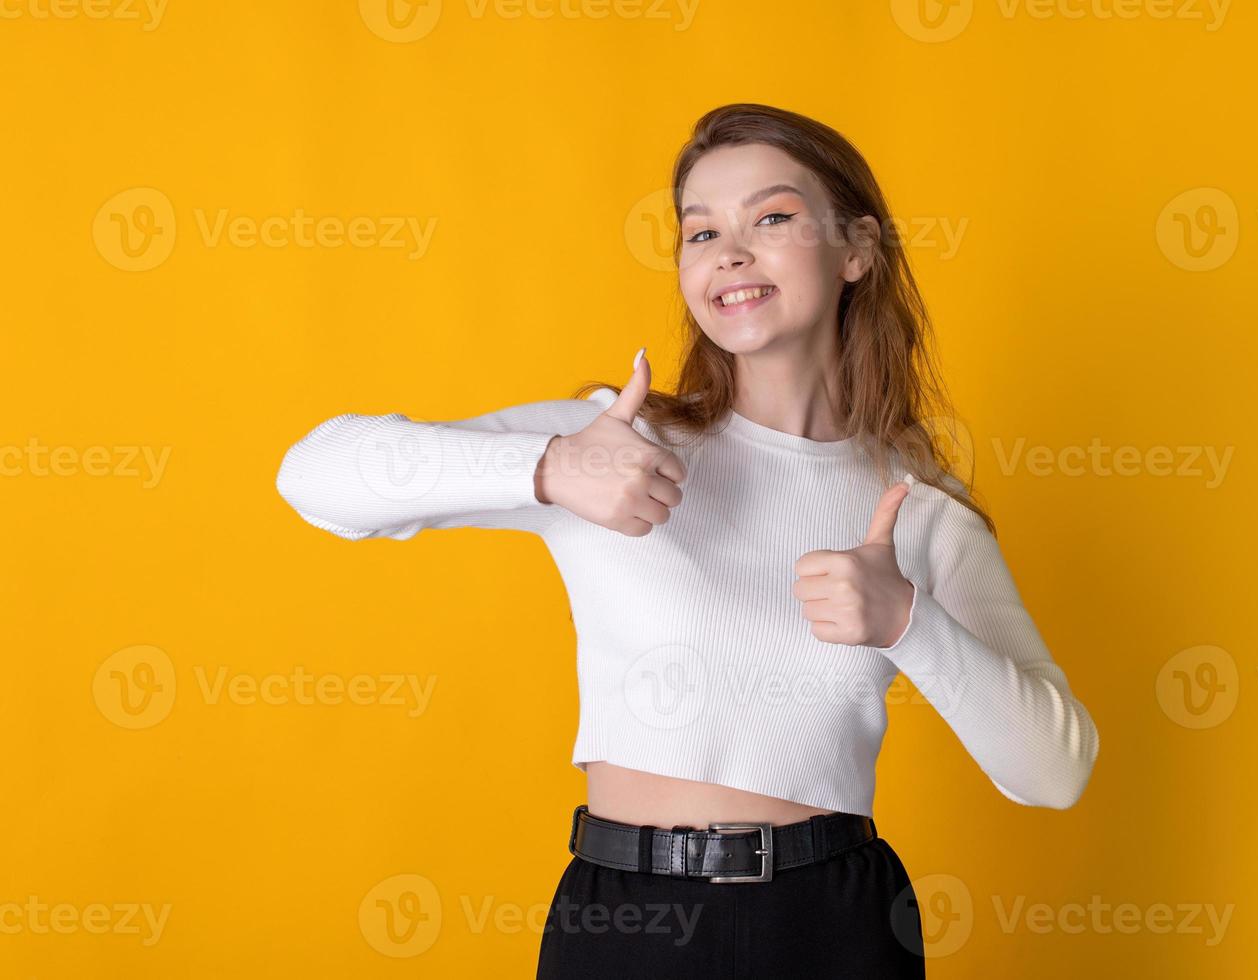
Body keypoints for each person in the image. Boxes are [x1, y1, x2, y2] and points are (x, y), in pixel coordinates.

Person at [275, 103, 1100, 978]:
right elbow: (314, 476)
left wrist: (908, 620)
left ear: (856, 249)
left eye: (772, 217)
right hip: (626, 920)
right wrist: (551, 468)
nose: (729, 253)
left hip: (832, 925)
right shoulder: (612, 446)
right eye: (699, 231)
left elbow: (1055, 772)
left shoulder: (917, 510)